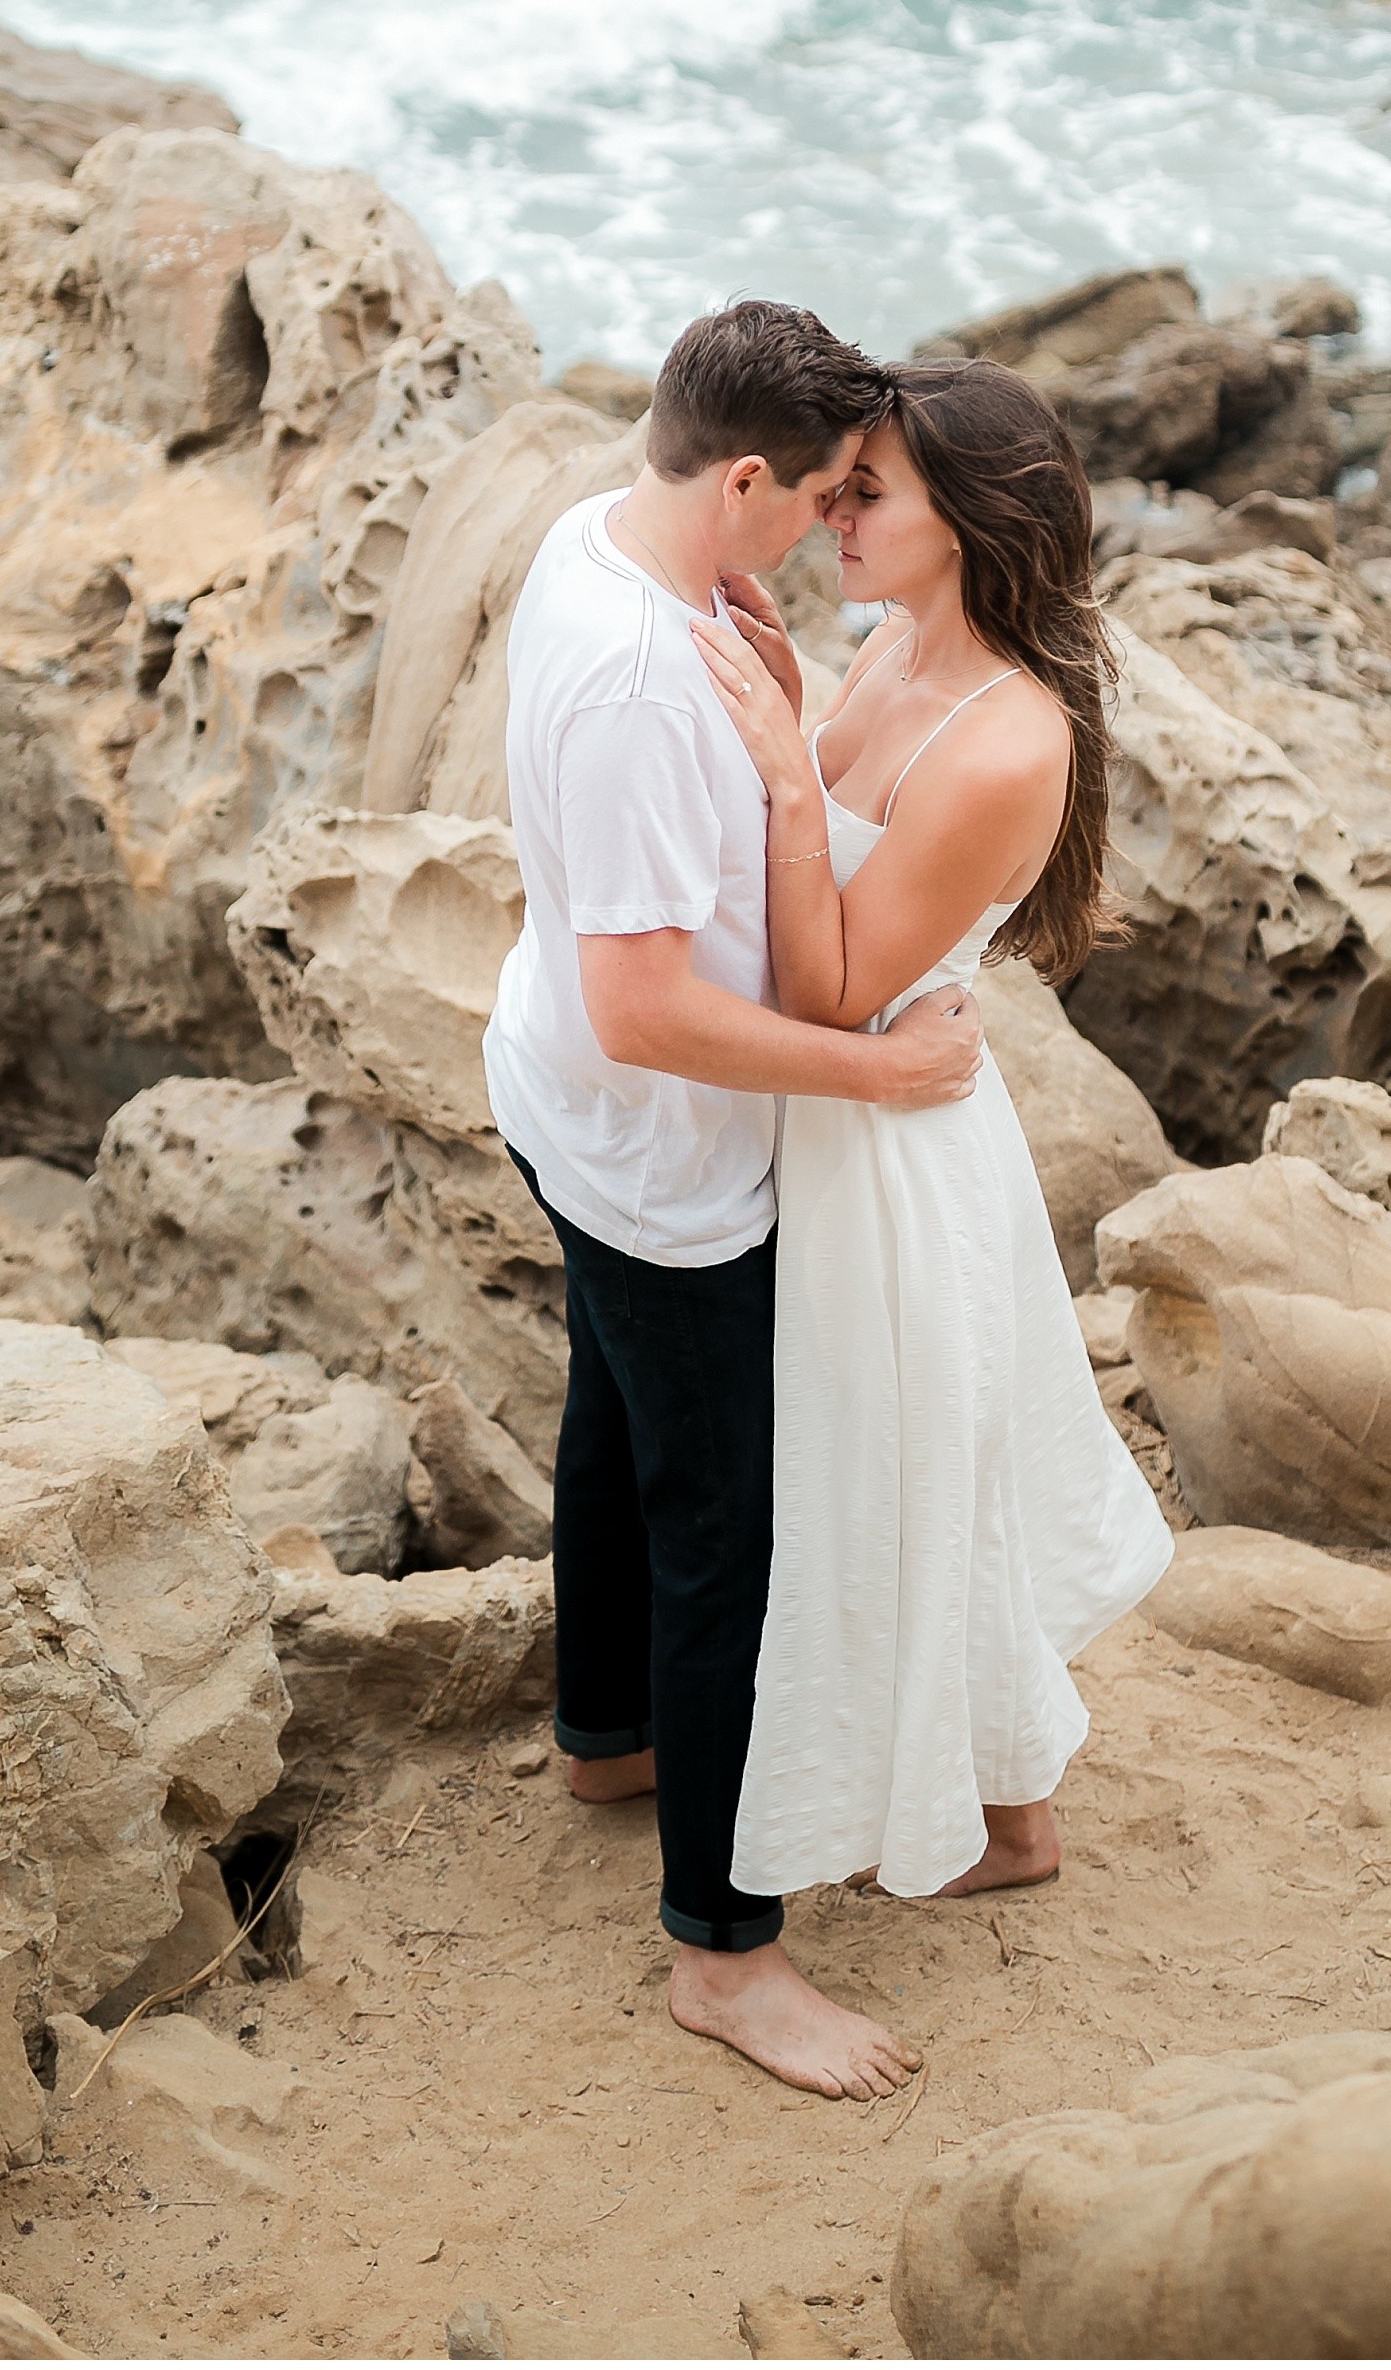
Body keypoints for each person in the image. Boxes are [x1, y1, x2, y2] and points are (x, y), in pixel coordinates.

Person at [482, 297, 984, 2104]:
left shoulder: (601, 536)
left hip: (550, 1086)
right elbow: (647, 1002)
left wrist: (757, 678)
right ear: (748, 472)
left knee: (612, 1424)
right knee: (729, 1537)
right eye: (825, 493)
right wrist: (881, 1070)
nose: (836, 532)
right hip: (652, 1148)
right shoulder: (637, 680)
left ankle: (607, 1741)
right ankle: (728, 1952)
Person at [690, 356, 1175, 1907]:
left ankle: (1014, 1828)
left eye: (867, 489)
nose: (832, 504)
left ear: (964, 520)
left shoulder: (1011, 735)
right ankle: (961, 1801)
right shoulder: (897, 645)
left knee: (911, 1475)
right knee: (882, 1473)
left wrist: (777, 754)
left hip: (892, 1151)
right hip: (832, 1117)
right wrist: (792, 701)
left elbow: (833, 980)